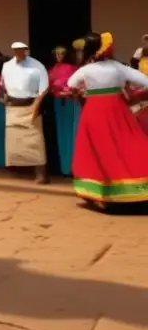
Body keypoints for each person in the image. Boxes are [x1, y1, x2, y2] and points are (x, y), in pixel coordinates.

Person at [67, 32, 148, 206]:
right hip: (116, 110)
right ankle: (134, 188)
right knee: (126, 145)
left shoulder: (86, 69)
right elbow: (145, 82)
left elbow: (71, 84)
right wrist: (132, 94)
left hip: (93, 111)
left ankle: (96, 192)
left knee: (95, 150)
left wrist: (85, 89)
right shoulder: (118, 67)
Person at [0, 41, 50, 184]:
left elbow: (44, 89)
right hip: (13, 106)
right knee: (15, 141)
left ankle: (41, 174)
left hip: (30, 104)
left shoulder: (37, 66)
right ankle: (20, 171)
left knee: (35, 142)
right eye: (16, 49)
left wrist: (35, 106)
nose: (19, 52)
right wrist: (4, 98)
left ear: (26, 50)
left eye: (21, 49)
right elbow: (3, 84)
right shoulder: (7, 66)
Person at [49, 45, 80, 176]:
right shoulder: (51, 70)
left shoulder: (73, 69)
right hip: (58, 104)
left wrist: (68, 92)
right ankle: (65, 166)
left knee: (73, 133)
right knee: (62, 133)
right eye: (57, 54)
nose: (59, 56)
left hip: (71, 103)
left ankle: (75, 166)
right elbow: (49, 87)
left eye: (62, 54)